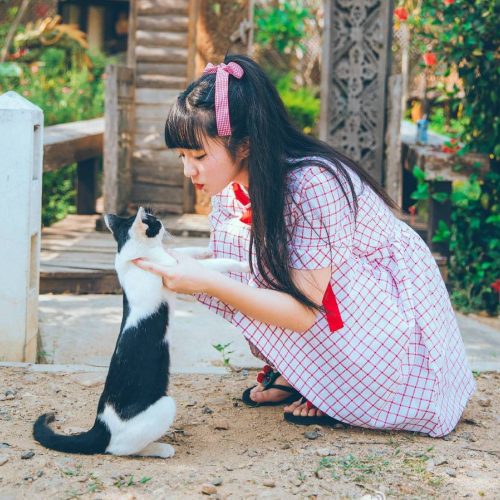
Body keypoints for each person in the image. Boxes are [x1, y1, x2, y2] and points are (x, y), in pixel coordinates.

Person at [135, 54, 475, 437]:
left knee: (285, 273)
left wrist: (206, 281)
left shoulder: (313, 183)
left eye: (198, 155)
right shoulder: (231, 189)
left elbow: (303, 312)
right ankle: (301, 372)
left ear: (244, 145)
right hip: (330, 295)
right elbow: (238, 270)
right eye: (182, 156)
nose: (188, 170)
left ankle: (338, 385)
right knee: (240, 253)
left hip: (390, 307)